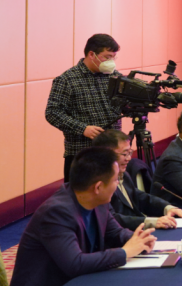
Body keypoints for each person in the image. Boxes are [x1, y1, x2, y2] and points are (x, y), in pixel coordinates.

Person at [5, 147, 156, 286]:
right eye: (116, 180)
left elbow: (115, 232)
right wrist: (125, 252)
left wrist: (137, 240)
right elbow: (75, 263)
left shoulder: (97, 201)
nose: (117, 185)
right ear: (98, 187)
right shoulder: (56, 212)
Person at [45, 34, 124, 183]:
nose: (111, 62)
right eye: (107, 57)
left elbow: (123, 104)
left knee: (114, 194)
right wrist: (82, 128)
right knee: (80, 196)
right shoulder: (67, 79)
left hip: (112, 151)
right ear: (91, 54)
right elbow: (52, 112)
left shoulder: (114, 77)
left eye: (113, 57)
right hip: (82, 154)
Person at [92, 129, 182, 230]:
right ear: (106, 154)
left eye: (129, 152)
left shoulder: (123, 174)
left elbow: (141, 198)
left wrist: (168, 208)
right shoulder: (99, 184)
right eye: (124, 154)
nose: (129, 158)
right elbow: (112, 219)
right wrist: (151, 222)